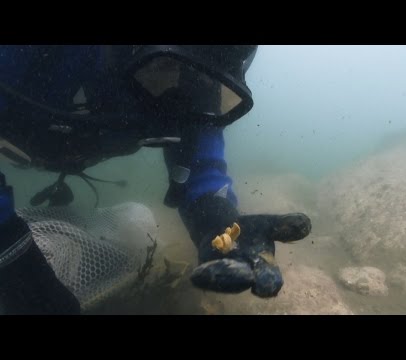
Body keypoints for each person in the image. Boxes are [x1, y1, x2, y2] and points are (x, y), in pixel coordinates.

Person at [0, 45, 312, 314]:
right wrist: (13, 255)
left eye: (202, 80)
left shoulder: (191, 91)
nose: (178, 94)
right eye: (166, 65)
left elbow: (203, 170)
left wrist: (215, 222)